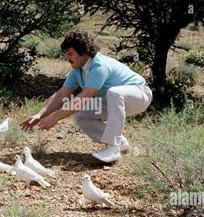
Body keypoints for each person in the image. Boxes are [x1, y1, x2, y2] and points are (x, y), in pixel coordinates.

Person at [20, 30, 153, 163]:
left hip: (140, 95)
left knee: (114, 93)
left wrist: (55, 118)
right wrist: (40, 115)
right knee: (81, 115)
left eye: (70, 53)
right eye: (66, 54)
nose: (68, 57)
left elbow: (84, 97)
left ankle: (113, 148)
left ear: (84, 52)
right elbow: (61, 94)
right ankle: (120, 142)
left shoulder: (99, 66)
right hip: (111, 102)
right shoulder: (77, 69)